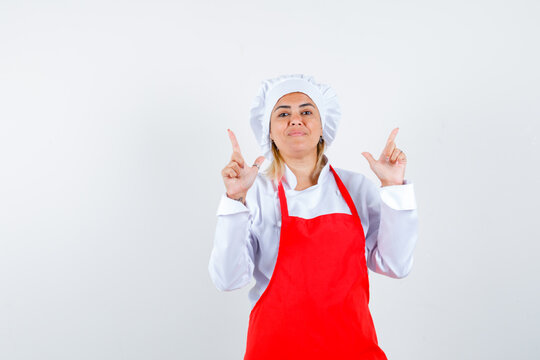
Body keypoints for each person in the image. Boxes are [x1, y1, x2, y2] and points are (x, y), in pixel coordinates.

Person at [208, 74, 418, 359]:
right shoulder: (254, 194)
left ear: (322, 127)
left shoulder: (356, 190)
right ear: (268, 131)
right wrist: (235, 200)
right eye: (283, 113)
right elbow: (228, 279)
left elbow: (395, 265)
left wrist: (393, 190)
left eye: (307, 111)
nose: (296, 120)